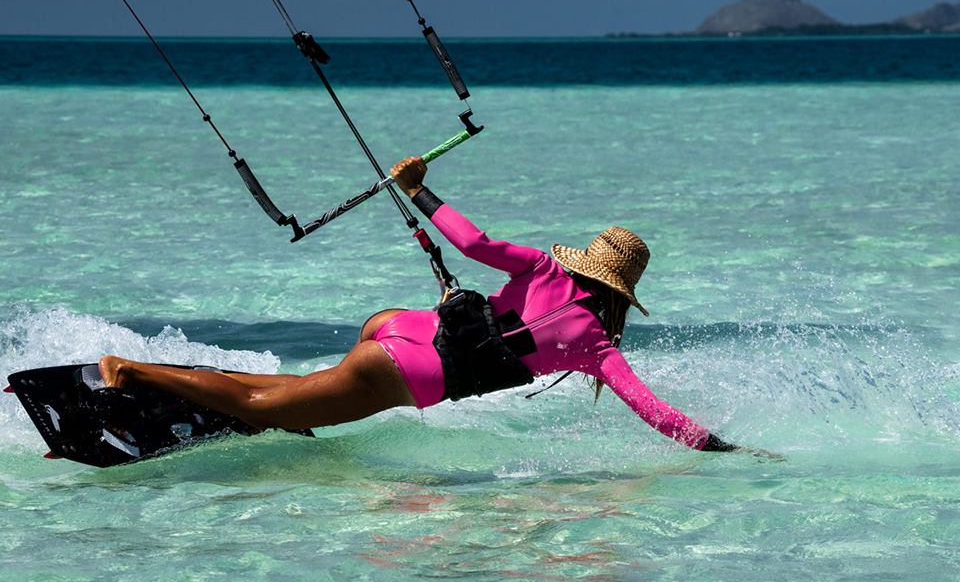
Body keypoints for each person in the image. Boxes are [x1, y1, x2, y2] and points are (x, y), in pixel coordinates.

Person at [99, 156, 758, 455]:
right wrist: (724, 449)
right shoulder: (597, 347)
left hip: (401, 325)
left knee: (299, 392)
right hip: (404, 371)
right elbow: (655, 412)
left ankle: (209, 395)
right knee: (268, 407)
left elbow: (473, 243)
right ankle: (134, 371)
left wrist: (420, 190)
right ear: (620, 294)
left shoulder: (542, 264)